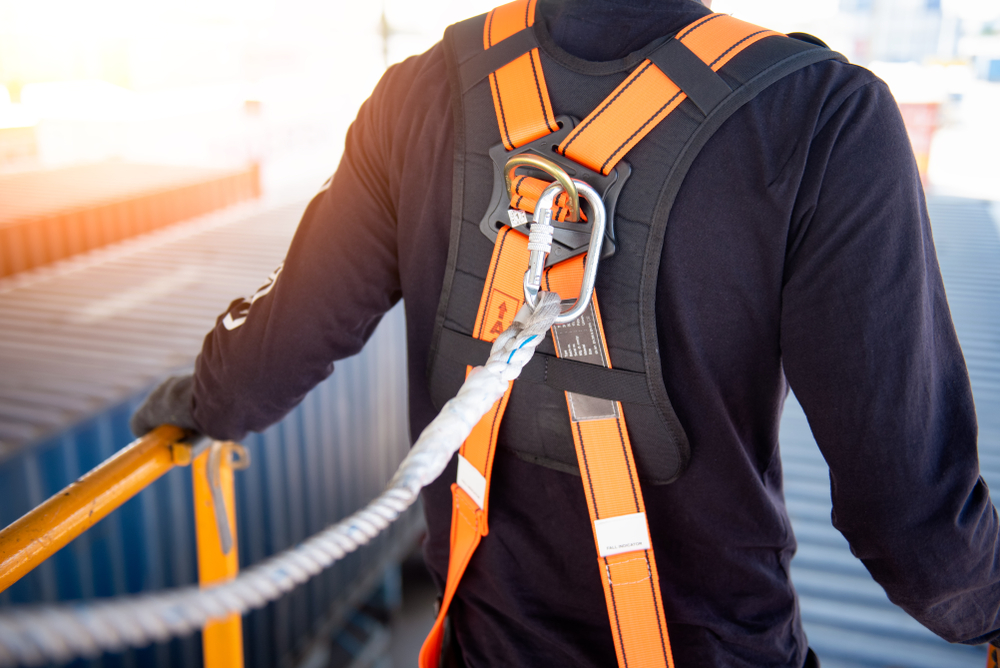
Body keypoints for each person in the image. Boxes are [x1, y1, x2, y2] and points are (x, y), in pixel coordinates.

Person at [131, 0, 1000, 666]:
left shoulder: (417, 95)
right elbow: (921, 532)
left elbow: (263, 365)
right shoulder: (821, 119)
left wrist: (196, 402)